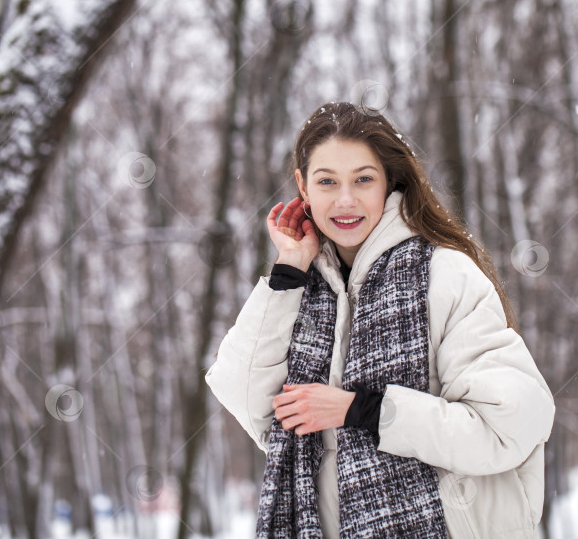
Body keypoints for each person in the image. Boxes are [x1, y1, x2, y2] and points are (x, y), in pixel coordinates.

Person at [205, 101, 556, 538]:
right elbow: (247, 398)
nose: (346, 199)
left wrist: (365, 411)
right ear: (303, 186)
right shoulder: (299, 287)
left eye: (363, 179)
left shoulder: (444, 273)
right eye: (327, 181)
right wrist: (289, 270)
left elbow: (508, 428)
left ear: (390, 181)